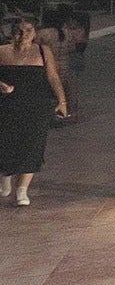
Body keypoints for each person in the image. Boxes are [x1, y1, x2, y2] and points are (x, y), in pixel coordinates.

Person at [0, 17, 69, 205]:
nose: (25, 34)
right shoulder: (2, 51)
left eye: (29, 30)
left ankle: (22, 190)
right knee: (7, 141)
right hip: (8, 104)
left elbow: (53, 77)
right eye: (21, 30)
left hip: (36, 104)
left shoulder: (42, 51)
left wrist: (61, 100)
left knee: (33, 144)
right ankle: (6, 175)